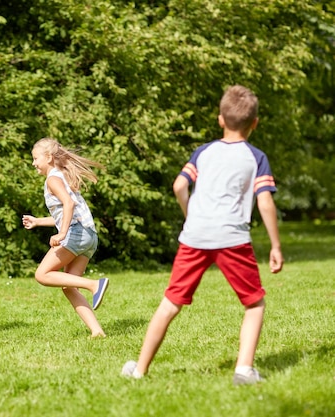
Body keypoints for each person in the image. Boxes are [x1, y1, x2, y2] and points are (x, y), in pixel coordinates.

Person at [121, 85, 284, 385]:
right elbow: (264, 201)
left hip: (194, 236)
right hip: (232, 239)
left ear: (221, 119)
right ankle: (244, 370)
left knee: (171, 302)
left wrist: (190, 215)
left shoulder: (203, 152)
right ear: (255, 123)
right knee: (254, 303)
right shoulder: (256, 157)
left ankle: (140, 370)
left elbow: (179, 186)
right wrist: (275, 245)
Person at [22, 138, 109, 338]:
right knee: (68, 286)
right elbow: (63, 214)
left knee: (42, 275)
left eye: (36, 158)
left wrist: (62, 234)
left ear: (49, 158)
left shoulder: (52, 179)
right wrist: (37, 222)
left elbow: (68, 204)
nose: (34, 163)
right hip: (88, 235)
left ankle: (94, 285)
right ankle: (97, 331)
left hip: (76, 233)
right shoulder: (60, 176)